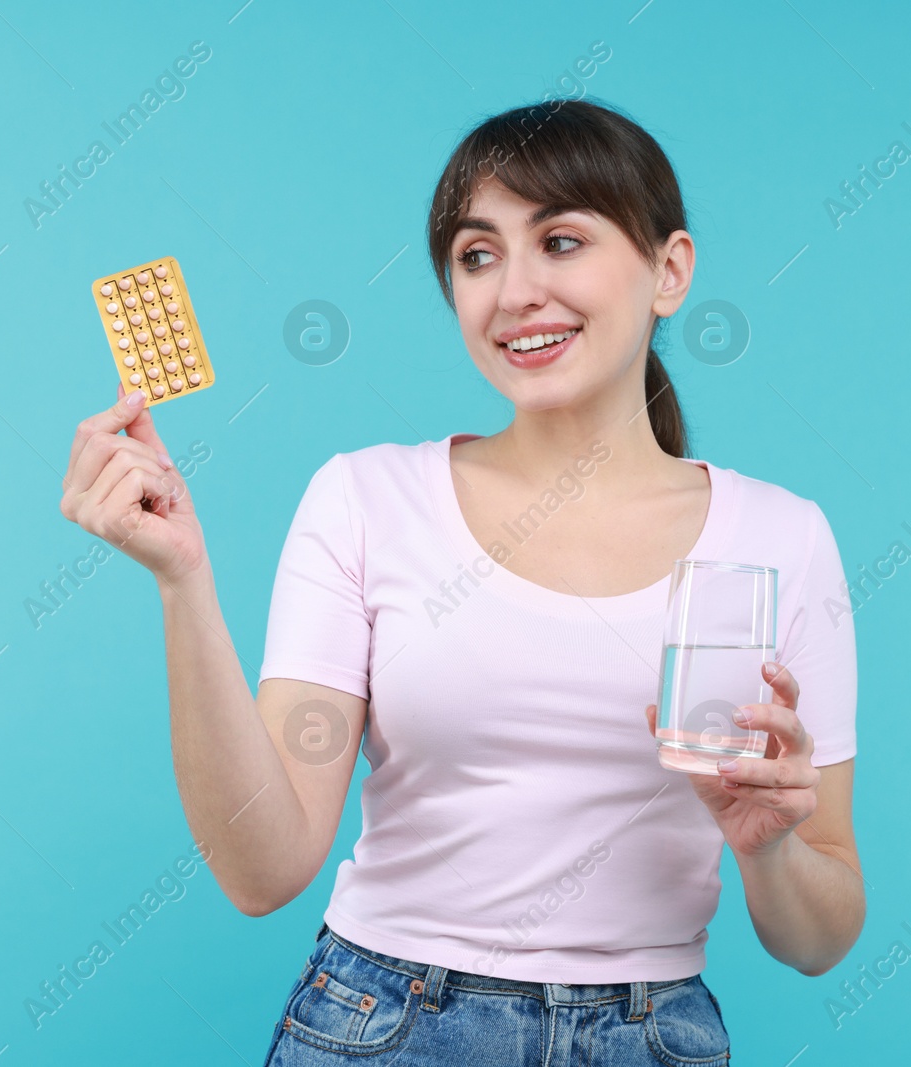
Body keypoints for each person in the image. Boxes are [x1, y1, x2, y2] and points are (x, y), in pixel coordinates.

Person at [59, 97, 863, 1066]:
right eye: (477, 255)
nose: (513, 289)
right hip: (385, 1025)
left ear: (669, 269)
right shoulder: (365, 498)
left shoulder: (782, 537)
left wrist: (766, 843)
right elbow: (261, 867)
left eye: (559, 240)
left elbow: (818, 937)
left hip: (654, 1036)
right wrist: (181, 583)